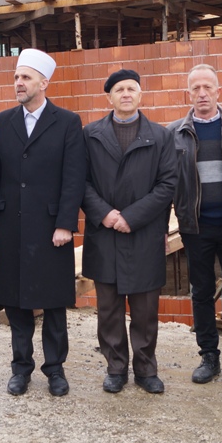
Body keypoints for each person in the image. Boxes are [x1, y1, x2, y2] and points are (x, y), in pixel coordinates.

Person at [0, 49, 86, 397]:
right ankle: (21, 368)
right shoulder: (3, 120)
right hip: (10, 225)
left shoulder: (67, 122)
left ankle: (55, 369)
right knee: (16, 302)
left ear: (44, 83)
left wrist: (65, 224)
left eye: (25, 77)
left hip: (50, 227)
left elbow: (74, 178)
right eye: (16, 77)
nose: (18, 83)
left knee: (53, 302)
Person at [82, 69, 178, 394]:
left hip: (143, 234)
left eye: (131, 89)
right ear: (109, 97)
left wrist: (132, 217)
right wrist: (105, 214)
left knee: (145, 309)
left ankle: (146, 370)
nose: (126, 94)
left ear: (140, 95)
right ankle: (116, 368)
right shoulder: (90, 135)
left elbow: (167, 184)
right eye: (119, 89)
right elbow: (80, 182)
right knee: (109, 308)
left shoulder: (160, 136)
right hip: (104, 234)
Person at [168, 64, 222, 387]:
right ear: (188, 94)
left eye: (208, 87)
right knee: (201, 291)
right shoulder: (174, 133)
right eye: (196, 88)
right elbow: (166, 183)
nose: (202, 94)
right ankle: (208, 356)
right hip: (196, 226)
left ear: (219, 91)